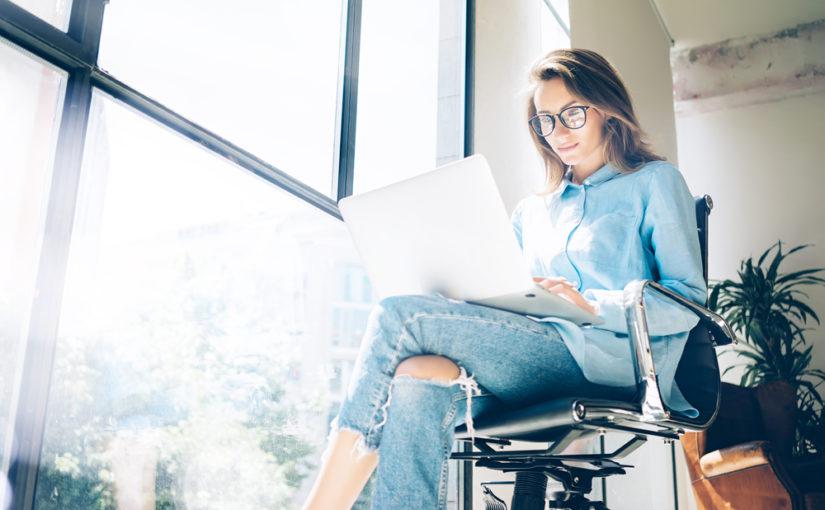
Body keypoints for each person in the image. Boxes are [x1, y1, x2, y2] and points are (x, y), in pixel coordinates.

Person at [301, 48, 705, 510]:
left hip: (607, 362)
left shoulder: (654, 182)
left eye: (572, 114)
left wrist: (593, 305)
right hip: (530, 362)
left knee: (401, 317)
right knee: (416, 375)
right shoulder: (532, 211)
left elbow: (688, 303)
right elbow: (507, 294)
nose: (558, 132)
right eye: (545, 121)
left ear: (607, 109)